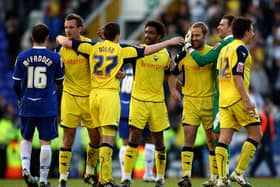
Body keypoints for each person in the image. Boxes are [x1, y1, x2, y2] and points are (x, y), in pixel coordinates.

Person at [56, 22, 184, 187]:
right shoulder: (122, 50)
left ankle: (88, 174)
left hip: (92, 96)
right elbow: (145, 51)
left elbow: (66, 42)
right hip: (109, 96)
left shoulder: (92, 47)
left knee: (96, 139)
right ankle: (106, 179)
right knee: (108, 139)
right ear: (117, 35)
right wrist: (169, 42)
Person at [119, 20, 173, 187]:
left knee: (159, 141)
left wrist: (172, 93)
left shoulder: (166, 55)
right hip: (138, 100)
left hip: (157, 102)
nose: (147, 35)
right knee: (133, 137)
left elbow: (167, 76)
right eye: (146, 32)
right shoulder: (138, 51)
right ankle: (126, 177)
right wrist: (119, 71)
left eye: (150, 33)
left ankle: (160, 178)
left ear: (159, 36)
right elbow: (121, 58)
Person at [12, 23, 64, 187]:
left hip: (28, 102)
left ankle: (26, 170)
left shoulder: (21, 57)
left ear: (32, 37)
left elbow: (15, 84)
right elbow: (60, 81)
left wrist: (20, 97)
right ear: (47, 38)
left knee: (26, 138)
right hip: (47, 104)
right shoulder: (55, 57)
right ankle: (43, 179)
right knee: (45, 142)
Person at [185, 15, 235, 187]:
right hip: (220, 97)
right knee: (215, 138)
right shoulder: (227, 45)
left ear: (231, 27)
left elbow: (203, 60)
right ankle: (218, 177)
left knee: (221, 138)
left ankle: (224, 177)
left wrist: (188, 47)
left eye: (222, 25)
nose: (218, 27)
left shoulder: (225, 44)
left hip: (225, 98)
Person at [215, 17, 262, 187]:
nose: (254, 33)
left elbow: (220, 75)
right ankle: (238, 173)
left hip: (224, 99)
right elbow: (237, 76)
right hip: (237, 98)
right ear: (246, 31)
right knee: (256, 134)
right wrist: (247, 100)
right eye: (252, 30)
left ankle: (221, 179)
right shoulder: (241, 49)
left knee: (224, 138)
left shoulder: (224, 49)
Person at [56, 13, 101, 187]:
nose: (68, 30)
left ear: (79, 28)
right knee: (68, 136)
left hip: (89, 98)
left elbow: (100, 65)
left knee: (95, 138)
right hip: (69, 97)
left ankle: (89, 172)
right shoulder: (61, 50)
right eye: (66, 27)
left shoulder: (88, 46)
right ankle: (62, 177)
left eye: (71, 27)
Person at [169, 22, 216, 187]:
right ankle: (186, 177)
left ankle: (215, 177)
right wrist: (175, 90)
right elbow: (172, 75)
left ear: (205, 36)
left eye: (197, 35)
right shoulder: (182, 55)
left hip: (210, 101)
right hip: (190, 102)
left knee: (212, 140)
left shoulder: (212, 53)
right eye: (192, 35)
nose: (194, 38)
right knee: (188, 138)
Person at [119, 63, 156, 182]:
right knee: (149, 138)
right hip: (140, 106)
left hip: (123, 108)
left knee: (125, 142)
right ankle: (149, 173)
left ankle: (125, 175)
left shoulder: (122, 67)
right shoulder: (142, 67)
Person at [249, 98, 277, 177]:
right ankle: (274, 173)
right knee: (269, 157)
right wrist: (259, 142)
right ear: (265, 107)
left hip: (267, 140)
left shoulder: (269, 117)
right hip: (263, 141)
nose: (271, 108)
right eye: (269, 107)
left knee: (259, 159)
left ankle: (251, 173)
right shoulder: (261, 116)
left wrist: (273, 135)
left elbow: (271, 129)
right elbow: (258, 130)